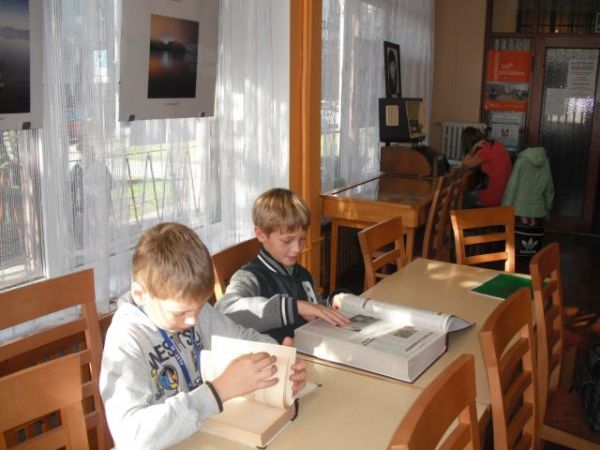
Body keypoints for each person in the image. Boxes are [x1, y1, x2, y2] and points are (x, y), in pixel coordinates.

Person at [100, 222, 306, 449]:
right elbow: (130, 436)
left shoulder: (197, 312)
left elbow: (242, 338)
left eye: (198, 308)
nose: (192, 321)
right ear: (140, 294)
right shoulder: (125, 341)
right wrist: (217, 392)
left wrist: (281, 363)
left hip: (204, 435)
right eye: (179, 313)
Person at [214, 188, 349, 343]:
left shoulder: (303, 275)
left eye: (302, 239)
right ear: (261, 234)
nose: (297, 249)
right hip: (273, 354)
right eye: (287, 241)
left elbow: (312, 307)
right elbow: (223, 311)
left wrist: (331, 303)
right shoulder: (249, 277)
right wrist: (293, 307)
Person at [501, 146, 554, 226]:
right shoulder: (545, 162)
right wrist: (548, 207)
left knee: (519, 230)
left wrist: (506, 205)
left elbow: (512, 184)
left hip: (520, 206)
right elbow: (549, 186)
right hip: (537, 206)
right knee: (533, 230)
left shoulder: (521, 160)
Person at [460, 127, 512, 208]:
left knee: (461, 197)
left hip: (493, 197)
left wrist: (473, 148)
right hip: (504, 194)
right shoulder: (496, 144)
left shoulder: (485, 150)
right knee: (472, 189)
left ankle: (461, 217)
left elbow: (465, 164)